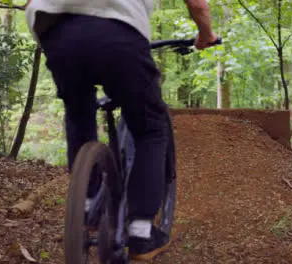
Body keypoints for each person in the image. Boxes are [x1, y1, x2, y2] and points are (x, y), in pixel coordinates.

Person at [24, 0, 217, 261]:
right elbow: (197, 4)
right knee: (151, 129)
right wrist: (206, 34)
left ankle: (88, 204)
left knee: (79, 112)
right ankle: (141, 231)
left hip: (56, 31)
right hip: (118, 31)